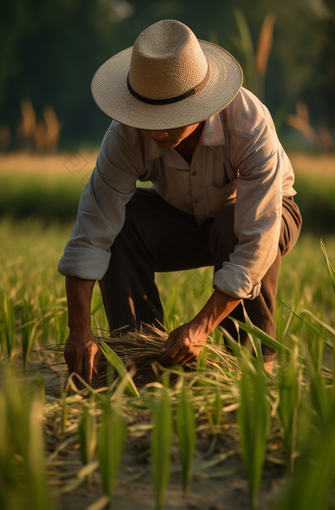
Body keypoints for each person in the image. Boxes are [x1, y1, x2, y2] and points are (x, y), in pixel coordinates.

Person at [58, 19, 302, 384]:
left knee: (231, 222)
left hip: (262, 216)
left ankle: (252, 369)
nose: (157, 130)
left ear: (202, 106)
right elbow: (93, 231)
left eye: (169, 119)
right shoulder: (125, 135)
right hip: (183, 216)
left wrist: (200, 327)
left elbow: (257, 241)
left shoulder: (248, 125)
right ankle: (143, 360)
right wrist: (79, 331)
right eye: (149, 117)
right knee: (123, 221)